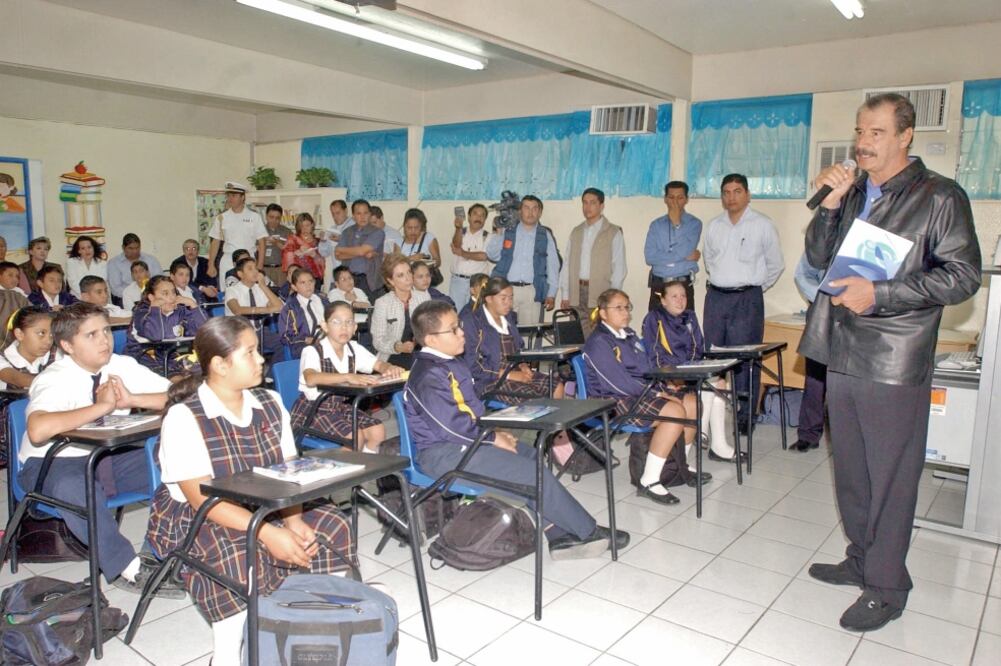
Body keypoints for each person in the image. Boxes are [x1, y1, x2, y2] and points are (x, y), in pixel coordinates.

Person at [800, 93, 981, 632]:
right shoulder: (853, 191)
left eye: (876, 132)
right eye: (860, 131)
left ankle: (887, 585)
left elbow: (961, 276)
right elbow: (817, 259)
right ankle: (861, 558)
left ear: (905, 136)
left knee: (892, 479)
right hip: (841, 349)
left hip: (894, 358)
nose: (863, 143)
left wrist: (880, 294)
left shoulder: (940, 197)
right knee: (852, 473)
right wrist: (829, 209)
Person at [147, 316, 353, 665]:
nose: (261, 360)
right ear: (219, 365)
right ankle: (226, 653)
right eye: (250, 353)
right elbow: (202, 500)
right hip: (200, 516)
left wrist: (292, 519)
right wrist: (270, 533)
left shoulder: (270, 402)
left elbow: (290, 472)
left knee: (332, 524)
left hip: (268, 501)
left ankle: (313, 621)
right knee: (238, 553)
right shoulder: (184, 418)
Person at [404, 299, 629, 559]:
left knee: (532, 456)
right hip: (443, 454)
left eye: (459, 326)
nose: (462, 332)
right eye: (453, 329)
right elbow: (451, 427)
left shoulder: (449, 362)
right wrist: (492, 438)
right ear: (431, 340)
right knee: (528, 473)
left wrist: (497, 429)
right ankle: (587, 532)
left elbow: (470, 408)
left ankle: (557, 534)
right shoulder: (428, 376)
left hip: (464, 444)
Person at [20, 302, 179, 595]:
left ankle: (156, 549)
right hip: (52, 464)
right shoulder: (53, 378)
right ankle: (129, 568)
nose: (104, 339)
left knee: (176, 465)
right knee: (77, 487)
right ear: (67, 345)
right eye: (91, 335)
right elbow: (38, 430)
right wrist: (100, 407)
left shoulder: (120, 365)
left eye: (105, 330)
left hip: (108, 458)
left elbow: (177, 395)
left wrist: (131, 398)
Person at [582, 289, 707, 505]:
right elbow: (617, 382)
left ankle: (680, 465)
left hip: (639, 393)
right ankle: (649, 480)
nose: (625, 313)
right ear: (603, 313)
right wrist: (657, 393)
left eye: (627, 307)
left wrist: (665, 386)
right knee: (674, 411)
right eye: (618, 308)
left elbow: (648, 368)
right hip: (612, 401)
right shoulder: (599, 342)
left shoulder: (629, 336)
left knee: (692, 402)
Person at [701, 174, 784, 429]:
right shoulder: (715, 225)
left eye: (737, 191)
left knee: (745, 360)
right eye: (726, 192)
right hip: (716, 298)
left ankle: (745, 417)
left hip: (747, 300)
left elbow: (776, 265)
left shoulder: (762, 224)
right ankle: (708, 416)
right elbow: (709, 260)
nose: (731, 197)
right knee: (713, 358)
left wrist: (752, 290)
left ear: (747, 194)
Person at [642, 280, 742, 463]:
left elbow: (698, 348)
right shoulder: (654, 318)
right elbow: (654, 355)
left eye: (683, 296)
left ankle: (716, 444)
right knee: (711, 385)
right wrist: (670, 379)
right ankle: (702, 433)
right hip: (668, 376)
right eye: (674, 297)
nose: (680, 301)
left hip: (689, 372)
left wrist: (698, 371)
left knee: (718, 382)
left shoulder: (690, 317)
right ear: (663, 301)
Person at [291, 301, 403, 453]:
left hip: (340, 408)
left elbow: (377, 364)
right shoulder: (312, 351)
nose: (344, 327)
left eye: (349, 322)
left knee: (378, 430)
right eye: (337, 322)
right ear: (324, 326)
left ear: (355, 327)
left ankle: (362, 467)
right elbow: (311, 378)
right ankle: (341, 472)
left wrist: (389, 368)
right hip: (314, 410)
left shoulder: (354, 348)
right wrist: (348, 377)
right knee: (356, 437)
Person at [460, 276, 562, 403]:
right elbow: (474, 366)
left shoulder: (508, 317)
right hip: (490, 380)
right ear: (489, 299)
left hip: (515, 369)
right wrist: (510, 375)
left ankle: (551, 421)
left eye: (511, 297)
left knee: (556, 386)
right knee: (532, 398)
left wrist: (524, 365)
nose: (509, 303)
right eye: (503, 298)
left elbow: (519, 347)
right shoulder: (472, 321)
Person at [559, 188, 626, 336]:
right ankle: (580, 360)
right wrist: (565, 294)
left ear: (601, 206)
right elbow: (567, 264)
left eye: (593, 203)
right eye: (585, 203)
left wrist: (613, 297)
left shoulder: (613, 232)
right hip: (577, 291)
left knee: (600, 336)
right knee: (577, 336)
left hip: (600, 291)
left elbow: (619, 267)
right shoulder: (576, 232)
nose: (588, 207)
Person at [485, 195, 560, 325]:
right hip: (505, 289)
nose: (530, 212)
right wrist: (498, 232)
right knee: (503, 331)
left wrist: (551, 293)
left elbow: (553, 265)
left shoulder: (545, 235)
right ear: (520, 211)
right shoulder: (508, 230)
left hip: (532, 291)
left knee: (528, 335)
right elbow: (492, 255)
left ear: (540, 212)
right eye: (526, 208)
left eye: (534, 208)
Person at [125, 275, 207, 378]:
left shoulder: (180, 311)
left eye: (173, 292)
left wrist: (193, 305)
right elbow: (156, 336)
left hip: (174, 355)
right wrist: (155, 308)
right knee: (180, 382)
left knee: (205, 372)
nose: (172, 297)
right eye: (165, 293)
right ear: (152, 297)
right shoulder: (142, 313)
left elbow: (204, 331)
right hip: (146, 357)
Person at [644, 181, 703, 311]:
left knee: (683, 329)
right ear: (665, 199)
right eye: (671, 197)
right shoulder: (656, 225)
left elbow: (685, 250)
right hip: (659, 284)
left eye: (680, 197)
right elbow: (650, 257)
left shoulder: (694, 224)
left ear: (686, 199)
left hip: (683, 284)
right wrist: (683, 257)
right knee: (656, 328)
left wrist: (677, 223)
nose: (675, 202)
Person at [791, 253, 827, 452]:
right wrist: (826, 297)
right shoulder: (820, 242)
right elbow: (802, 275)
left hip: (855, 315)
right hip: (821, 312)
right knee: (815, 379)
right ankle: (809, 434)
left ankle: (848, 440)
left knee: (847, 383)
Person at [370, 254, 429, 368]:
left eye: (409, 272)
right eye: (401, 275)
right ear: (391, 280)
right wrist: (398, 347)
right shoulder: (382, 303)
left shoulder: (424, 298)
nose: (408, 278)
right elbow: (378, 341)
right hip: (392, 357)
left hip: (421, 356)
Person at [206, 181, 267, 291]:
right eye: (228, 195)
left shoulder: (254, 217)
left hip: (249, 260)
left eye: (234, 195)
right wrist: (211, 264)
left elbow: (262, 242)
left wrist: (260, 265)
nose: (230, 198)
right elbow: (215, 242)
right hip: (228, 260)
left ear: (243, 197)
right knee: (228, 294)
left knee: (250, 292)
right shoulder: (222, 217)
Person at [225, 257, 283, 356]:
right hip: (239, 332)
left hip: (259, 330)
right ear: (240, 274)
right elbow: (237, 310)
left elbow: (280, 307)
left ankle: (271, 371)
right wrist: (265, 310)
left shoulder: (259, 288)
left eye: (256, 268)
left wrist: (263, 286)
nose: (255, 271)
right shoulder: (232, 290)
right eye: (250, 269)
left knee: (284, 345)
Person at [334, 200, 384, 300]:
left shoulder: (378, 232)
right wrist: (361, 252)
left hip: (369, 280)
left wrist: (343, 249)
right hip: (349, 279)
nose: (363, 217)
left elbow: (361, 251)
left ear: (370, 214)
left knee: (368, 311)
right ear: (353, 216)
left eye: (365, 213)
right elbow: (337, 255)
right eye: (358, 213)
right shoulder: (347, 232)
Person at [449, 203, 493, 309]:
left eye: (482, 215)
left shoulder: (488, 236)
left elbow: (483, 256)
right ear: (468, 217)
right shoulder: (461, 232)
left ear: (485, 219)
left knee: (477, 314)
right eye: (475, 214)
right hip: (458, 282)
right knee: (456, 314)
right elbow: (456, 245)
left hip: (478, 284)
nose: (478, 217)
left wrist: (462, 253)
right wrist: (458, 228)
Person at [278, 267, 327, 359]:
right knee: (320, 353)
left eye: (310, 281)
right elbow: (285, 336)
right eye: (302, 283)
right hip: (303, 345)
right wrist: (304, 339)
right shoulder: (290, 308)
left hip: (327, 339)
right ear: (294, 287)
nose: (308, 285)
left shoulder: (323, 300)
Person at [0, 307, 53, 390]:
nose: (48, 341)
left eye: (51, 335)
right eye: (41, 333)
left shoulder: (57, 356)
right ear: (19, 334)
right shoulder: (2, 359)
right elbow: (15, 378)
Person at [108, 234, 162, 303]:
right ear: (123, 248)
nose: (135, 251)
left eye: (137, 248)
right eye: (130, 248)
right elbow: (116, 289)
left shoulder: (151, 260)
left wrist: (148, 294)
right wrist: (135, 294)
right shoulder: (114, 263)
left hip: (151, 295)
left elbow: (159, 281)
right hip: (124, 297)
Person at [281, 213, 325, 289]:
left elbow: (323, 264)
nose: (304, 229)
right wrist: (296, 254)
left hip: (315, 278)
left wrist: (315, 255)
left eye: (307, 225)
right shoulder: (292, 239)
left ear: (312, 225)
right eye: (302, 226)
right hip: (298, 279)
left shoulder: (318, 242)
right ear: (298, 227)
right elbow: (287, 261)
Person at [261, 203, 290, 287]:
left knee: (282, 296)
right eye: (271, 217)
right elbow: (254, 249)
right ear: (266, 216)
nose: (274, 220)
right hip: (264, 269)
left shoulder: (286, 231)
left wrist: (277, 243)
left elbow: (290, 250)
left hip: (281, 270)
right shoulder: (260, 230)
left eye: (277, 218)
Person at [323, 199, 354, 271]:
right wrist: (323, 241)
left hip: (352, 272)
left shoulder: (355, 226)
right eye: (333, 214)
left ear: (346, 211)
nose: (335, 217)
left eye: (338, 213)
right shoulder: (332, 229)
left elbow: (360, 249)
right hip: (337, 272)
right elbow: (325, 253)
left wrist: (342, 240)